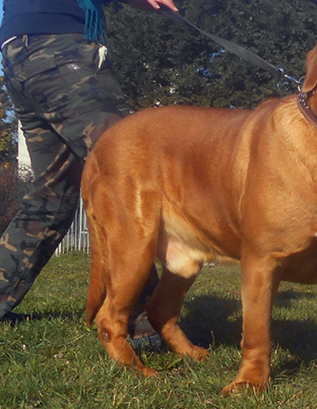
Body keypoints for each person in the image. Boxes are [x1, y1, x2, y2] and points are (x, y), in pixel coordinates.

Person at [0, 0, 178, 344]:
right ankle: (139, 318)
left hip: (19, 51)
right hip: (61, 48)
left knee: (53, 193)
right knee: (126, 172)